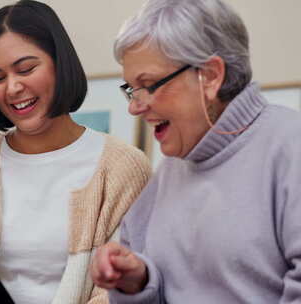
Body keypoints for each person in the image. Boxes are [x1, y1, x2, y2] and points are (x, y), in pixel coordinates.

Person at [0, 1, 151, 303]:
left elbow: (120, 295)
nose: (12, 88)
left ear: (60, 64)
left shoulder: (124, 169)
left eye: (26, 69)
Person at [90, 0, 301, 302]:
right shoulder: (168, 172)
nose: (135, 107)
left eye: (148, 85)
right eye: (131, 89)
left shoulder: (291, 147)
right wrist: (137, 281)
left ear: (211, 75)